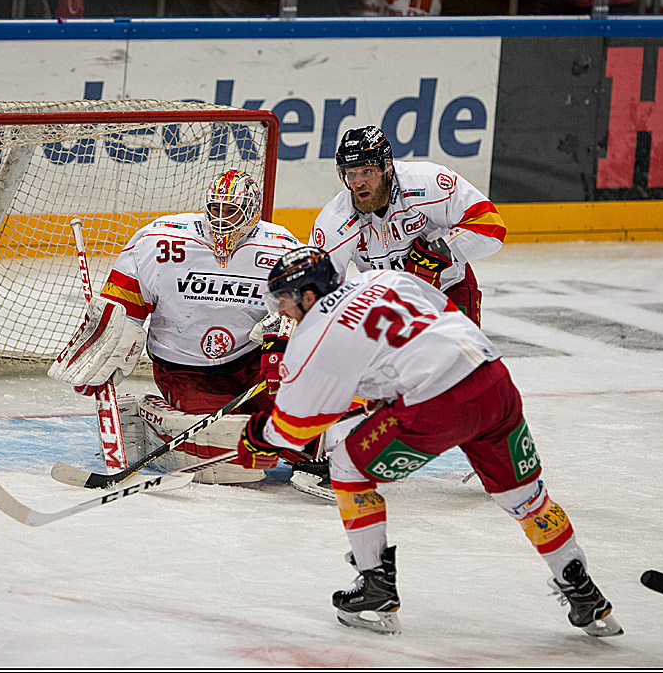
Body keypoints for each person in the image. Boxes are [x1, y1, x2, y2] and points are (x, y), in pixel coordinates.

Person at [234, 246, 622, 637]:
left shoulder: (311, 334)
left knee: (347, 465)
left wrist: (258, 437)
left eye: (283, 298)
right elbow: (447, 315)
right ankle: (583, 592)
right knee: (524, 497)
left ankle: (376, 586)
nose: (279, 309)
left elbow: (295, 429)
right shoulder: (381, 278)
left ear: (309, 295)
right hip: (493, 379)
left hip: (435, 403)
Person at [49, 169, 309, 483]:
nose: (222, 219)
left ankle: (310, 462)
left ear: (252, 212)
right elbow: (123, 303)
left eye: (232, 210)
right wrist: (112, 338)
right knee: (230, 446)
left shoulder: (281, 248)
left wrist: (282, 332)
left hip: (254, 364)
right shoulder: (161, 238)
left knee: (307, 419)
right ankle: (152, 416)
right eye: (216, 208)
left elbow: (311, 311)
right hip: (186, 369)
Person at [311, 125, 506, 327]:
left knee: (464, 357)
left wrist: (439, 254)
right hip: (389, 310)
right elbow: (317, 292)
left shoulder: (427, 182)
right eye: (351, 174)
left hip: (448, 291)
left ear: (387, 167)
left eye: (367, 171)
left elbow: (490, 226)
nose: (358, 183)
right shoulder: (335, 221)